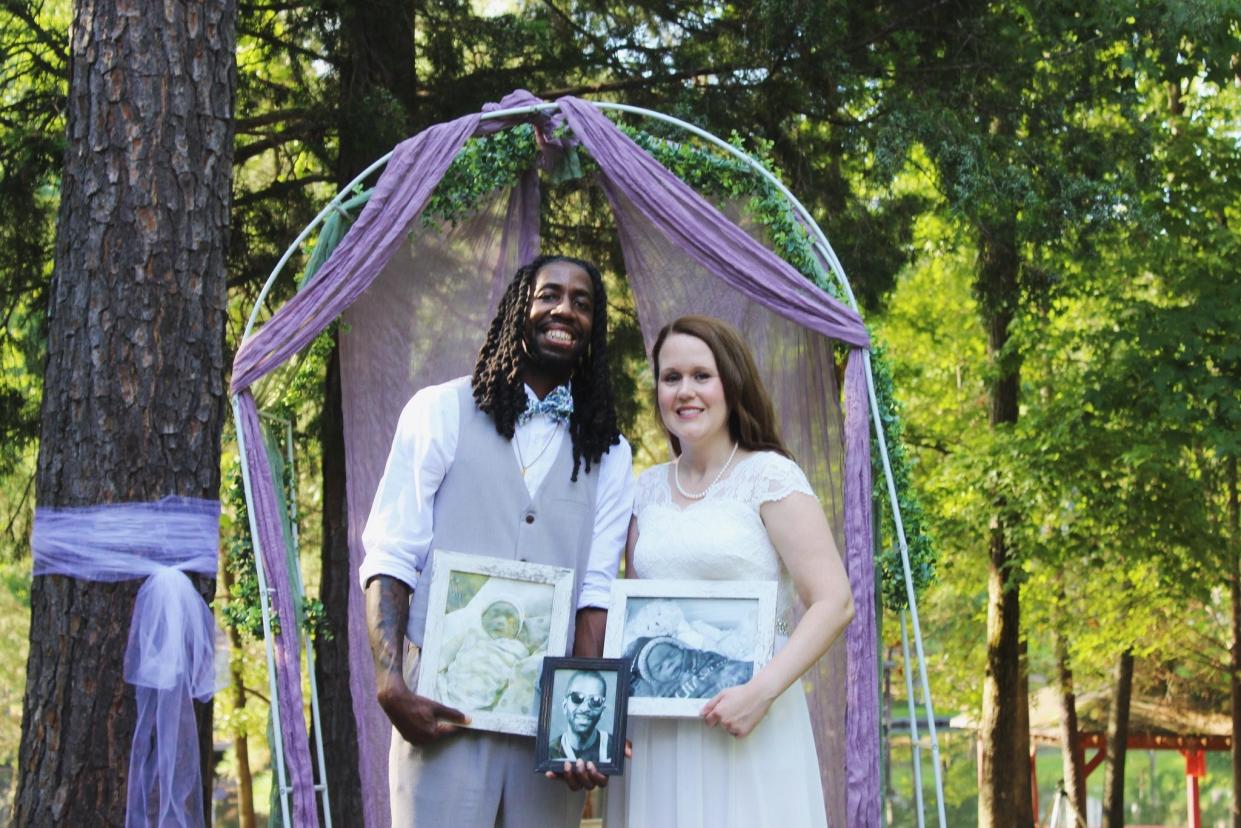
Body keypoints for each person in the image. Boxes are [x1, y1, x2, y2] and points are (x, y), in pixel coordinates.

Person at [361, 254, 635, 827]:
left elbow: (596, 591)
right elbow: (393, 554)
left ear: (594, 330)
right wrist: (390, 684)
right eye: (550, 295)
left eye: (582, 303)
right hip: (440, 712)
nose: (565, 309)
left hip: (545, 732)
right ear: (519, 309)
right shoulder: (439, 411)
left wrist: (581, 723)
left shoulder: (610, 452)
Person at [605, 315, 855, 828]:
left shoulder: (769, 475)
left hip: (751, 721)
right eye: (671, 378)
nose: (685, 391)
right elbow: (632, 616)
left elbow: (835, 601)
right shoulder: (644, 490)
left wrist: (760, 693)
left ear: (731, 382)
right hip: (660, 732)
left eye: (702, 375)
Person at [624, 635, 753, 699]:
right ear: (653, 679)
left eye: (671, 654)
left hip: (737, 684)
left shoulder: (699, 658)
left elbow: (722, 663)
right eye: (659, 667)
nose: (668, 663)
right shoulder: (666, 695)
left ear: (680, 648)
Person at [548, 670, 612, 764]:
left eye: (595, 700)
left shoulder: (614, 748)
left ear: (602, 710)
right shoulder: (550, 753)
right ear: (565, 706)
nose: (585, 708)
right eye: (576, 698)